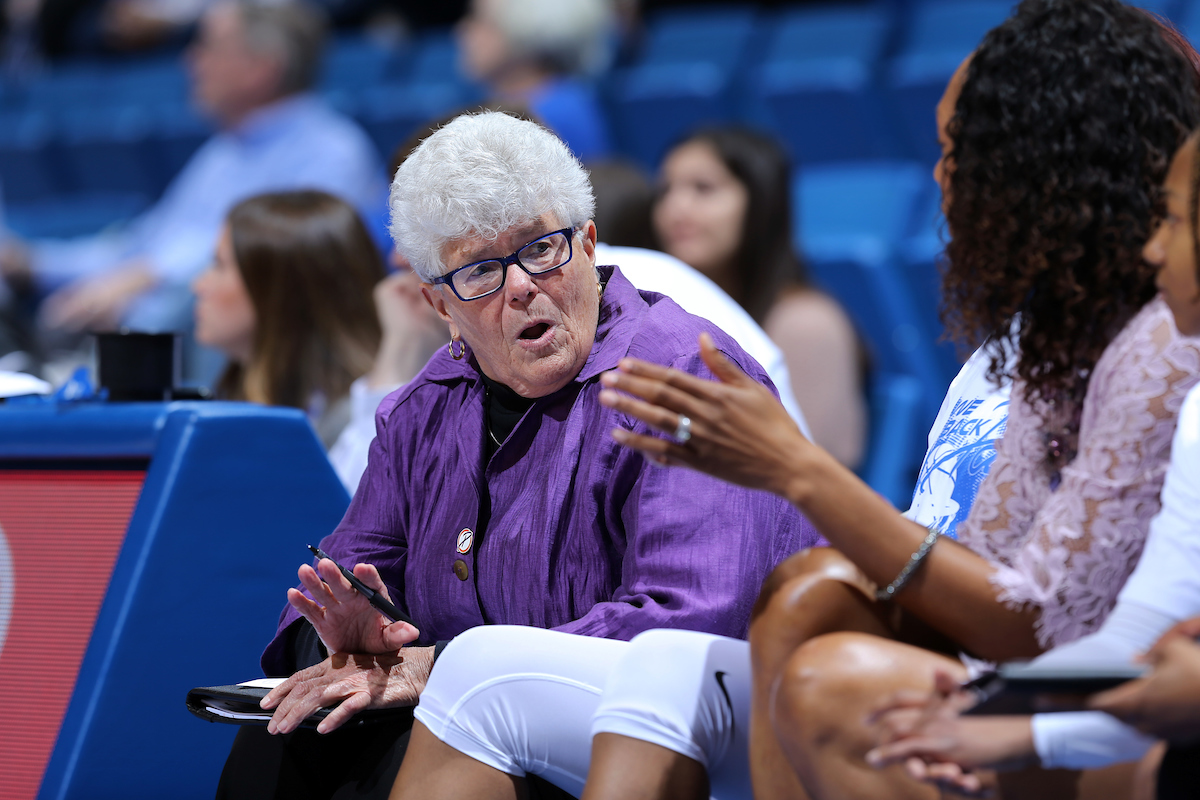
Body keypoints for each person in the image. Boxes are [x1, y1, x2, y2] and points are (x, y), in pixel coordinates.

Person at [386, 4, 1200, 800]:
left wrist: (800, 472)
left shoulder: (1157, 353)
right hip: (979, 661)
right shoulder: (1018, 349)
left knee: (819, 671)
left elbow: (1043, 620)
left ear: (1045, 180)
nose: (937, 178)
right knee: (701, 641)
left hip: (1046, 686)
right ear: (440, 304)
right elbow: (982, 570)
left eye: (957, 153)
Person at [215, 110, 820, 800]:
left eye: (541, 249)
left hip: (658, 740)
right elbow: (352, 562)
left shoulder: (685, 379)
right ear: (438, 305)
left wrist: (438, 666)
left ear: (588, 244)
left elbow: (687, 623)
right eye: (480, 272)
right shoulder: (424, 407)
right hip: (470, 730)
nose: (522, 286)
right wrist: (345, 640)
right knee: (290, 728)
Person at [862, 126, 1200, 800]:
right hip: (1001, 655)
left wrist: (797, 475)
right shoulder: (1001, 352)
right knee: (812, 614)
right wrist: (999, 716)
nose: (1156, 244)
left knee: (832, 685)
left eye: (1178, 221)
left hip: (1097, 698)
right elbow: (1141, 636)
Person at [0, 0, 383, 343]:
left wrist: (148, 276)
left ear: (260, 68)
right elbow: (141, 245)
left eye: (208, 46)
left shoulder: (333, 153)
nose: (191, 61)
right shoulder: (222, 152)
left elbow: (275, 266)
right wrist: (33, 263)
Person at [652, 126, 867, 468]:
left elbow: (817, 471)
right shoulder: (669, 311)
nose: (675, 208)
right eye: (666, 190)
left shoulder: (805, 322)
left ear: (760, 202)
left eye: (703, 189)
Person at [192, 189, 384, 449]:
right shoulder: (234, 397)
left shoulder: (362, 426)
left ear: (280, 290)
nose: (198, 285)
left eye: (219, 265)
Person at [456, 0, 614, 163]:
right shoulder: (494, 102)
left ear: (524, 31)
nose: (462, 30)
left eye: (481, 21)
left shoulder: (560, 112)